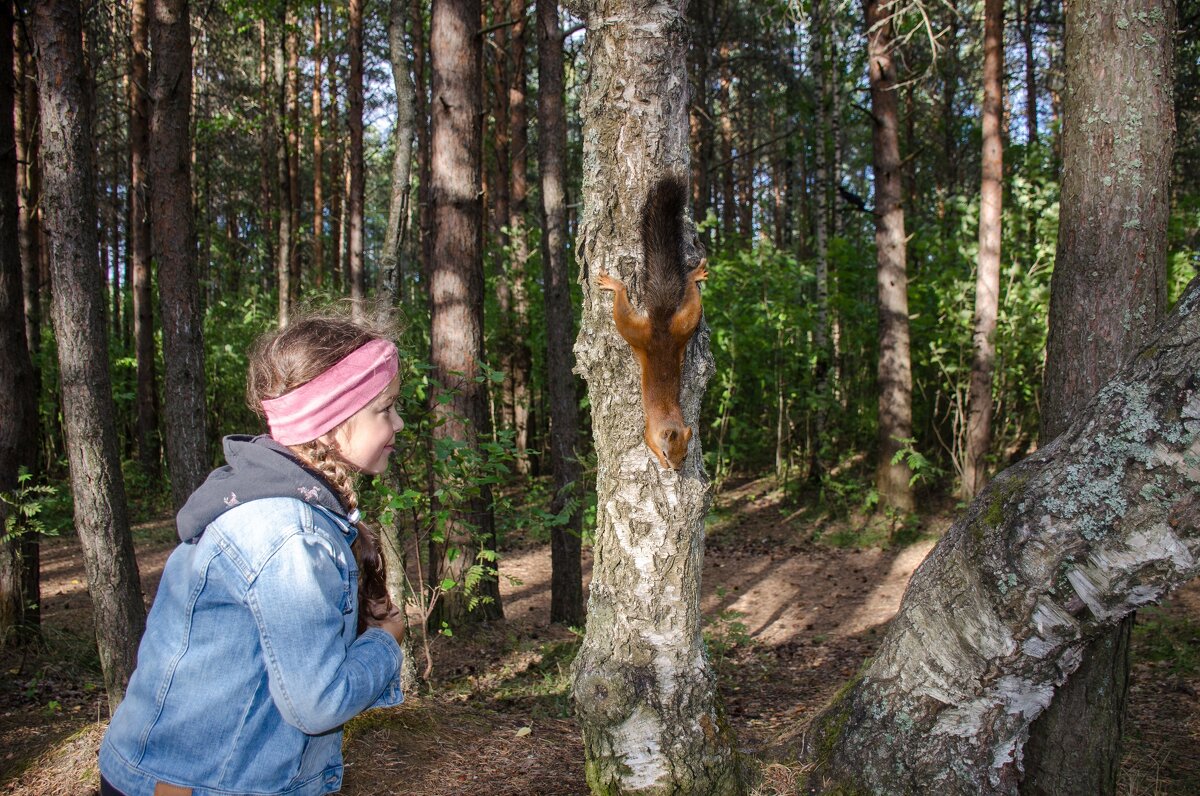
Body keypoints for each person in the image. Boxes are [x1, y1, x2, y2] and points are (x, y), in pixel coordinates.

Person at [99, 314, 408, 796]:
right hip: (205, 784)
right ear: (330, 420)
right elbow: (318, 703)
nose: (399, 422)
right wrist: (387, 640)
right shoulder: (289, 535)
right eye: (385, 409)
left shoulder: (261, 499)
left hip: (169, 772)